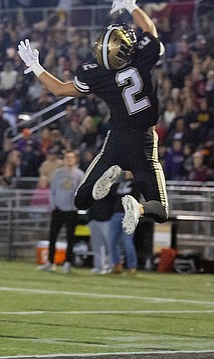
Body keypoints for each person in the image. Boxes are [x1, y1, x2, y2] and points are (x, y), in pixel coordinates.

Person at [17, 0, 169, 236]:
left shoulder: (96, 74)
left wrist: (34, 66)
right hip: (144, 142)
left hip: (115, 141)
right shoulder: (144, 56)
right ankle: (138, 209)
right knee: (159, 209)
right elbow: (150, 29)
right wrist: (130, 5)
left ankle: (108, 177)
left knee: (80, 201)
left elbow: (59, 89)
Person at [38, 150, 85, 273]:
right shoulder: (58, 173)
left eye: (71, 158)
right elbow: (52, 190)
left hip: (71, 210)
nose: (69, 160)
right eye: (67, 157)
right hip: (58, 209)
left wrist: (76, 207)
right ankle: (50, 261)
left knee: (70, 237)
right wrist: (53, 204)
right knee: (53, 236)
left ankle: (68, 262)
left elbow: (80, 192)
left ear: (75, 160)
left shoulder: (79, 174)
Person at [108, 170, 139, 275]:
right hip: (116, 213)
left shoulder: (136, 185)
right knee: (112, 241)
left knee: (127, 241)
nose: (127, 173)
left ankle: (132, 266)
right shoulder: (119, 183)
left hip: (129, 215)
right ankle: (117, 265)